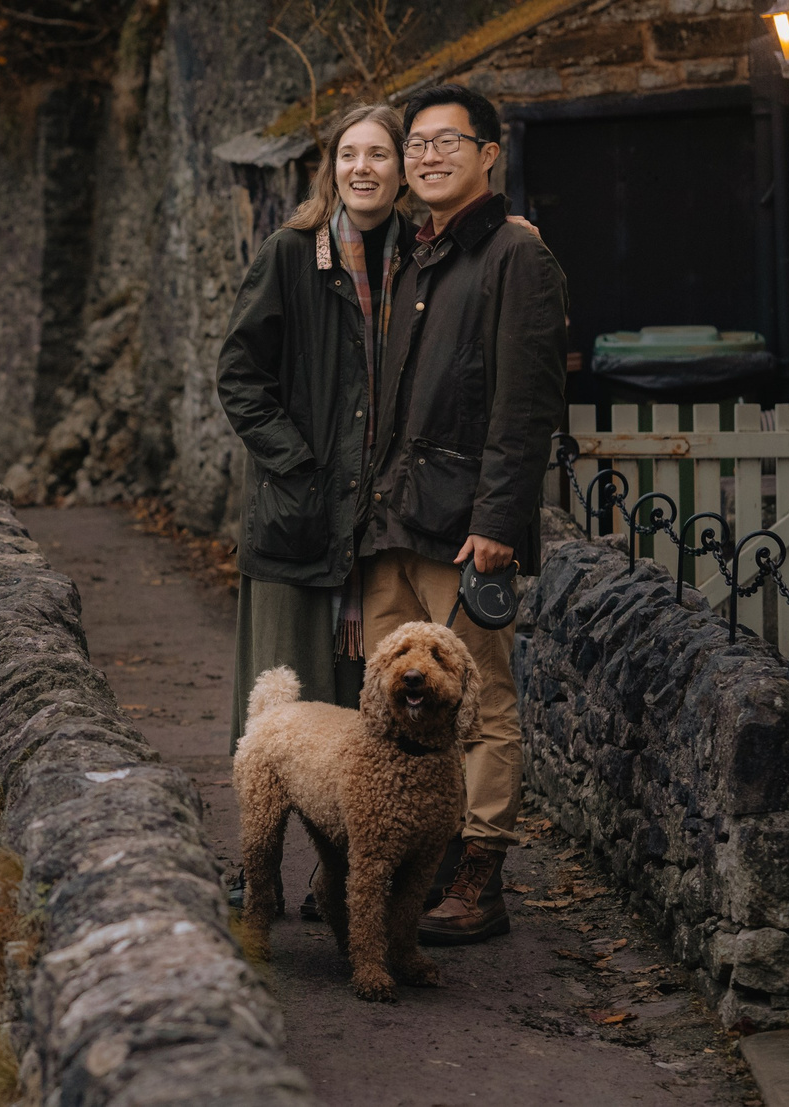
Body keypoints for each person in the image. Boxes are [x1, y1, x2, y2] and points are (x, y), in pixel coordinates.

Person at [364, 82, 569, 945]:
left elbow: (526, 403)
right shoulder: (419, 253)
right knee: (394, 703)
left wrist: (498, 520)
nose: (427, 155)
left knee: (478, 705)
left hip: (465, 529)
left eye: (447, 140)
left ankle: (479, 876)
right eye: (416, 143)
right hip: (395, 521)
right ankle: (418, 862)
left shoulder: (518, 254)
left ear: (489, 153)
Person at [219, 104, 411, 751]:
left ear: (403, 169)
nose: (362, 167)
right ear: (332, 169)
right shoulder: (291, 253)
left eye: (378, 153)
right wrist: (297, 466)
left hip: (384, 519)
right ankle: (267, 823)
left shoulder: (423, 260)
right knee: (284, 715)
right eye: (348, 154)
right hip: (297, 512)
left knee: (369, 724)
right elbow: (240, 378)